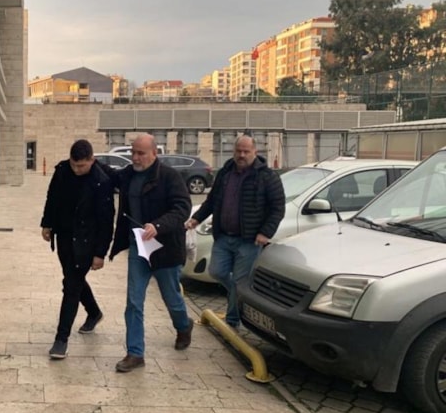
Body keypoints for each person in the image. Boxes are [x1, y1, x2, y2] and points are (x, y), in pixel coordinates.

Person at [108, 134, 194, 373]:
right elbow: (107, 175)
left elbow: (182, 208)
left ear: (154, 153)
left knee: (171, 297)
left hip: (165, 248)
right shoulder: (128, 174)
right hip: (138, 246)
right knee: (134, 300)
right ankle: (135, 353)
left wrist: (158, 225)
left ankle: (183, 325)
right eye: (133, 152)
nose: (135, 158)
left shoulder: (170, 177)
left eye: (141, 153)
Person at [185, 135, 285, 328]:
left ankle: (232, 322)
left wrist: (266, 232)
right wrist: (196, 219)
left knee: (239, 281)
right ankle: (240, 292)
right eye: (238, 151)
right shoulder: (225, 173)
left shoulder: (267, 177)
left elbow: (277, 208)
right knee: (216, 272)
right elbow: (212, 201)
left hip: (249, 240)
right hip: (223, 237)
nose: (242, 155)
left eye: (246, 151)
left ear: (255, 151)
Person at [40, 139, 115, 359]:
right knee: (72, 278)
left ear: (92, 160)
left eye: (81, 166)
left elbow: (106, 220)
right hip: (64, 236)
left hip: (86, 241)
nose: (77, 169)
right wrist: (47, 223)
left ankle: (61, 340)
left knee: (71, 285)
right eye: (74, 164)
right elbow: (52, 197)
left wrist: (100, 253)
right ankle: (94, 312)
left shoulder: (101, 181)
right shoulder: (62, 171)